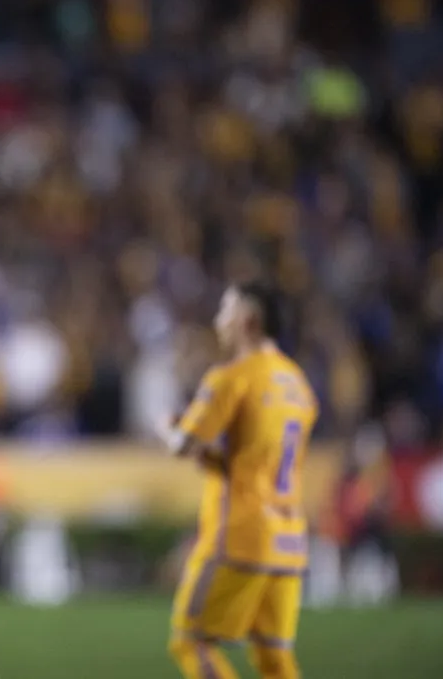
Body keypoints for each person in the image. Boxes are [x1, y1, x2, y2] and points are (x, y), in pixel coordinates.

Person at [156, 282, 318, 679]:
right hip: (289, 539)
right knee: (274, 659)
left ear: (248, 320)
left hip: (241, 533)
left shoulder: (232, 377)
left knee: (190, 640)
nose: (218, 321)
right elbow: (255, 459)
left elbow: (184, 445)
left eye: (225, 311)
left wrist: (164, 426)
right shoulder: (299, 384)